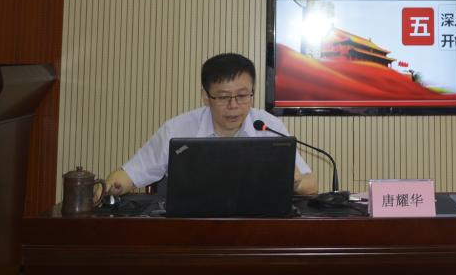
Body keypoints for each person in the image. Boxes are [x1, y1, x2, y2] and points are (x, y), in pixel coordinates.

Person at [101, 53, 317, 198]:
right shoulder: (178, 129)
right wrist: (109, 186)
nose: (234, 106)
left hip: (256, 229)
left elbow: (311, 184)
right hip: (193, 232)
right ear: (205, 96)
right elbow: (129, 175)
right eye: (223, 97)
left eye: (243, 95)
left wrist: (295, 183)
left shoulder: (267, 126)